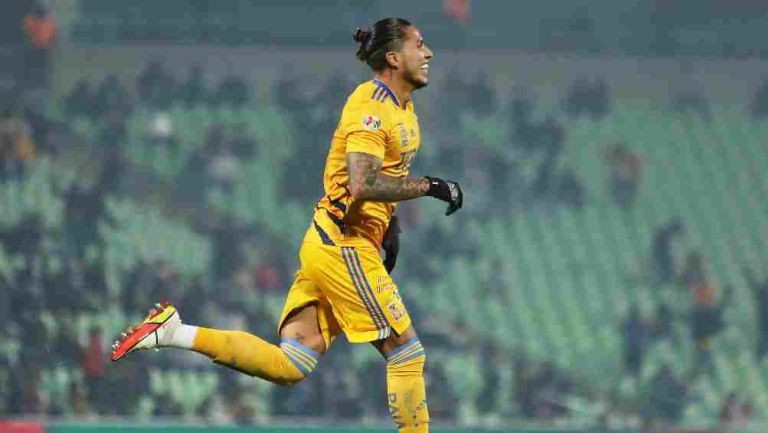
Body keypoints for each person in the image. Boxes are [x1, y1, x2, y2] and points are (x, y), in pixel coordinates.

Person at [111, 17, 463, 433]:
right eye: (419, 45)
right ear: (393, 56)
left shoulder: (403, 108)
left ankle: (174, 333)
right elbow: (363, 182)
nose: (428, 53)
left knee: (290, 365)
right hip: (344, 244)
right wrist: (430, 186)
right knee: (407, 354)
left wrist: (392, 225)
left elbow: (383, 174)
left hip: (332, 241)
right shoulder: (371, 109)